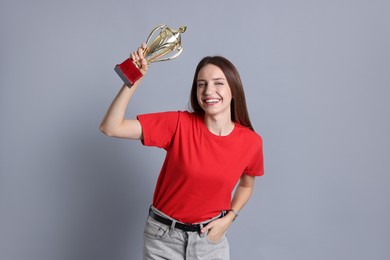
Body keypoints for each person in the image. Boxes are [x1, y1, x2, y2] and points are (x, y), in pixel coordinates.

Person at [100, 43, 264, 260]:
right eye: (201, 84)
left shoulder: (251, 142)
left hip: (210, 241)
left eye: (218, 83)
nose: (208, 91)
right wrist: (133, 80)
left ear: (234, 89)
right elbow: (110, 127)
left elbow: (246, 184)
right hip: (162, 239)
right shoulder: (179, 124)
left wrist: (230, 217)